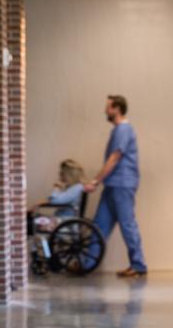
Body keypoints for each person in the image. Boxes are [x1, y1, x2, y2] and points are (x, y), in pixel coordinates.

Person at [84, 95, 148, 278]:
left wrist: (95, 180)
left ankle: (138, 265)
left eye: (108, 107)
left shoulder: (123, 130)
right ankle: (87, 263)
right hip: (112, 184)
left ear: (117, 109)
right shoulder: (119, 130)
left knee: (127, 224)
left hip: (122, 184)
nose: (105, 111)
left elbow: (114, 158)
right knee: (99, 226)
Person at [30, 159, 85, 233]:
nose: (59, 174)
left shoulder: (76, 188)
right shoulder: (75, 187)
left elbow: (55, 200)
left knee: (32, 221)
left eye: (62, 173)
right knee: (34, 217)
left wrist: (57, 186)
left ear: (69, 174)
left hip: (63, 222)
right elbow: (55, 199)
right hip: (60, 219)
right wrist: (39, 203)